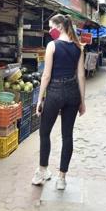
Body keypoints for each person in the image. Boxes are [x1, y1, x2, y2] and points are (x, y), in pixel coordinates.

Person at [32, 14, 86, 190]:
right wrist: (82, 101)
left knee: (45, 133)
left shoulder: (52, 46)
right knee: (67, 135)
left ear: (60, 27)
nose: (50, 31)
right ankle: (62, 178)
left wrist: (40, 99)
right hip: (72, 93)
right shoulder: (78, 47)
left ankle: (42, 172)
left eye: (51, 27)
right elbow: (80, 76)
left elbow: (46, 75)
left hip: (54, 92)